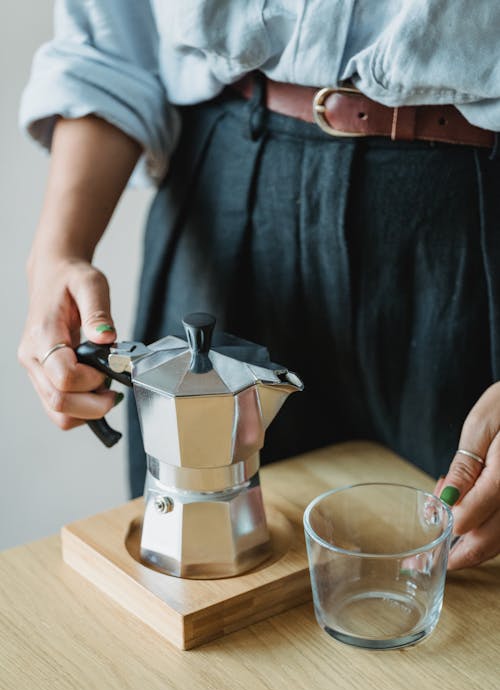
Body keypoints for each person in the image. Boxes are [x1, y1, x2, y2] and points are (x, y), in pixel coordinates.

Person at [18, 1, 500, 571]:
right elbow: (111, 43)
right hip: (224, 189)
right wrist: (57, 256)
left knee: (464, 568)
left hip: (468, 214)